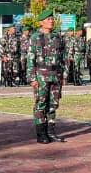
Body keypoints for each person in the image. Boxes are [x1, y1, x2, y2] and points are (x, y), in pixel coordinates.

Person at [28, 10, 67, 144]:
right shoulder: (35, 37)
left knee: (53, 104)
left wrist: (64, 75)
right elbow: (30, 59)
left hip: (55, 75)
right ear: (41, 22)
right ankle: (41, 133)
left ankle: (51, 132)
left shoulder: (57, 37)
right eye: (48, 19)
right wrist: (32, 78)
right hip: (41, 76)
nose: (51, 21)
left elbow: (63, 58)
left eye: (52, 19)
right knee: (41, 103)